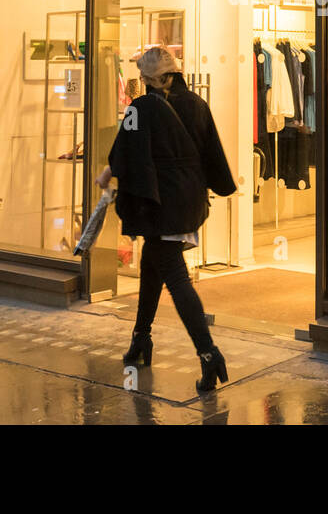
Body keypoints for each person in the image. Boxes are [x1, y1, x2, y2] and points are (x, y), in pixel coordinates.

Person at [95, 46, 236, 393]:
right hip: (189, 200)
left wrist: (108, 173)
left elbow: (122, 150)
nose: (141, 82)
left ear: (154, 78)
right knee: (153, 267)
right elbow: (212, 153)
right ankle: (141, 340)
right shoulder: (198, 105)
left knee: (174, 277)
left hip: (157, 202)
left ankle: (209, 354)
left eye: (143, 77)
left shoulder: (140, 108)